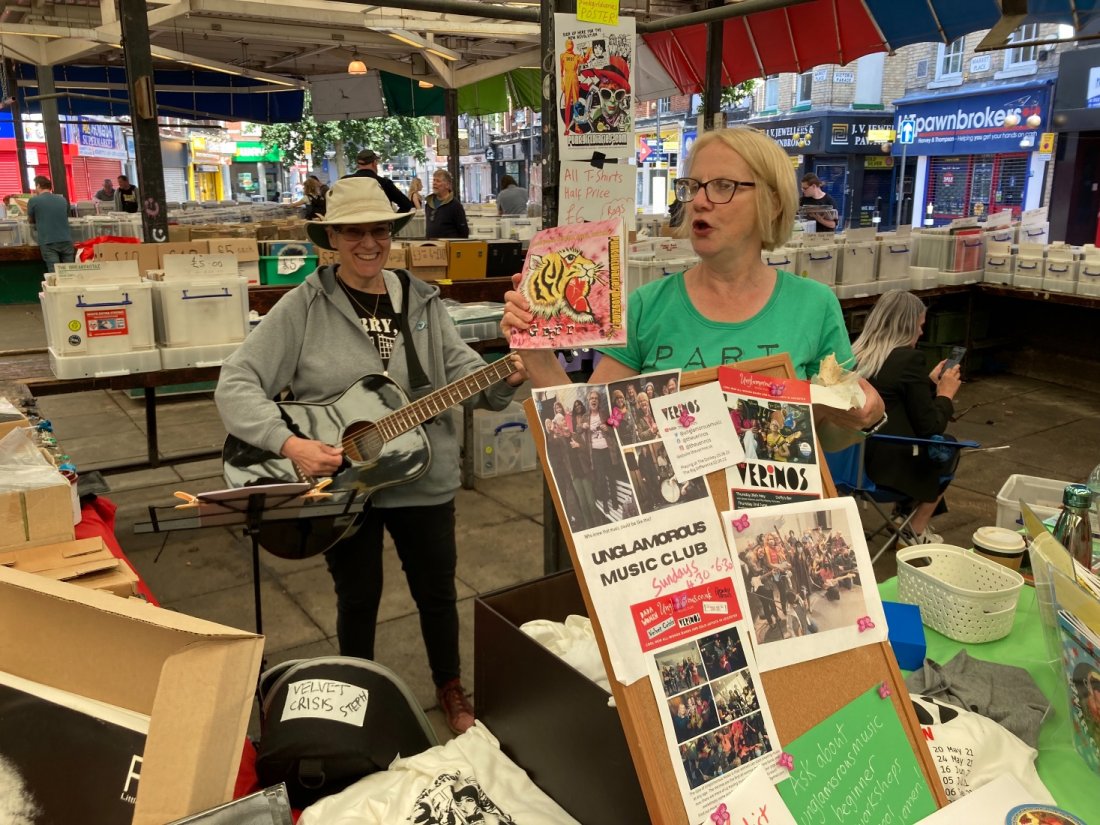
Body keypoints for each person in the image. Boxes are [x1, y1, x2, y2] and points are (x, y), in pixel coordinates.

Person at [214, 176, 524, 735]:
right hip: (343, 485)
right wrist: (290, 444)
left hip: (423, 477)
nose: (368, 243)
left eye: (379, 230)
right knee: (357, 597)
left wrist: (507, 374)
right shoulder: (304, 305)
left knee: (436, 591)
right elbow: (235, 382)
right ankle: (352, 695)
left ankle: (450, 686)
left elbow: (462, 372)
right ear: (331, 238)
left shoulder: (421, 300)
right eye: (353, 232)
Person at [502, 126, 883, 448]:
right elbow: (588, 431)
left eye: (722, 186)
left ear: (773, 203)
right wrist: (536, 354)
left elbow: (826, 440)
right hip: (674, 512)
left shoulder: (813, 305)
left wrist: (862, 418)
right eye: (693, 186)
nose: (699, 201)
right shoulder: (647, 305)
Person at [851, 290, 963, 545]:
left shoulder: (855, 355)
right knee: (946, 446)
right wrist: (945, 394)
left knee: (922, 444)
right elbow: (930, 426)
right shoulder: (909, 360)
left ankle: (903, 516)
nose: (921, 332)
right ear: (906, 326)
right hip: (885, 472)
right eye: (920, 326)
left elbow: (894, 398)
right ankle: (914, 529)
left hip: (849, 467)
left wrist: (927, 383)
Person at [27, 176, 75, 273]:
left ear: (38, 185)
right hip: (66, 239)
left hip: (48, 240)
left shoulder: (33, 200)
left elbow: (30, 220)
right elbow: (64, 215)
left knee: (54, 272)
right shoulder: (62, 199)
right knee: (70, 271)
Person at [342, 148, 414, 213]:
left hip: (351, 223)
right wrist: (393, 221)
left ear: (358, 164)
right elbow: (407, 205)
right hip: (379, 222)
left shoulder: (345, 181)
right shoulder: (385, 183)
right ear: (374, 163)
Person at [425, 169, 469, 239]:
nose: (434, 183)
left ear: (447, 185)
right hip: (431, 244)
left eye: (438, 181)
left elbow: (463, 232)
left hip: (449, 244)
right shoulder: (429, 203)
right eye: (434, 180)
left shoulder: (455, 205)